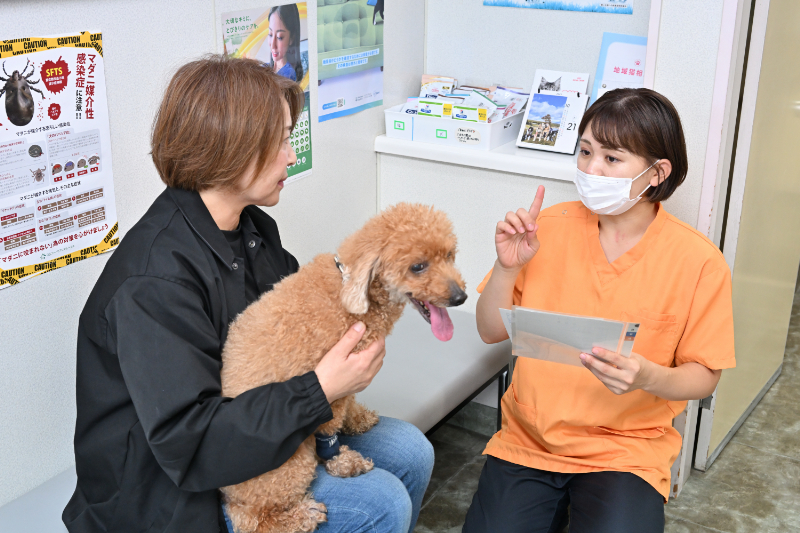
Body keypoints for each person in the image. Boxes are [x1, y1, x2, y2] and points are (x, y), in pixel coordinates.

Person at [62, 55, 432, 533]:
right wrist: (321, 390)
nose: (292, 156)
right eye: (280, 141)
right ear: (230, 146)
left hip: (251, 427)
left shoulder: (254, 230)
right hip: (168, 487)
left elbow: (294, 331)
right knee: (379, 503)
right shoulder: (154, 282)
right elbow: (191, 443)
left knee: (410, 453)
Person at [463, 88, 735, 533]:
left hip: (626, 449)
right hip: (531, 437)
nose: (590, 169)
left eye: (611, 159)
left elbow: (705, 374)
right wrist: (505, 267)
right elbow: (491, 331)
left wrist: (648, 376)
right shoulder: (545, 229)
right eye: (585, 151)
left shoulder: (698, 261)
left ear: (656, 172)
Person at [267, 5, 303, 82]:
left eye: (279, 37)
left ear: (291, 38)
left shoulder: (289, 75)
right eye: (270, 34)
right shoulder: (264, 67)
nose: (273, 45)